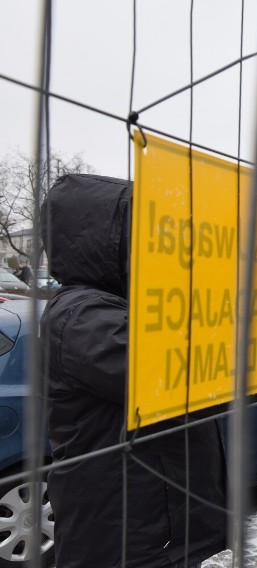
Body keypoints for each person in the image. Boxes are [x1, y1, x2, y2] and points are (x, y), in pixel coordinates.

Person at [39, 174, 228, 568]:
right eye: (139, 231)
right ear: (103, 242)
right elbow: (197, 369)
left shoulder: (128, 306)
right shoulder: (81, 318)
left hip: (156, 534)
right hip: (122, 545)